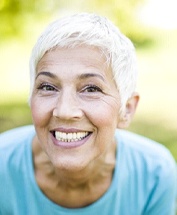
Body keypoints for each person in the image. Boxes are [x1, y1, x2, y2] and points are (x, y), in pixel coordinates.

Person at [0, 13, 176, 215]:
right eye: (48, 87)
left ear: (126, 109)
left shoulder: (154, 174)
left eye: (91, 89)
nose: (65, 111)